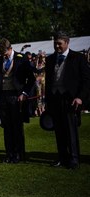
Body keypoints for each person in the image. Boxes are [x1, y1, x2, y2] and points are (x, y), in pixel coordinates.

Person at [45, 31, 90, 169]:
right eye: (55, 43)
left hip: (70, 99)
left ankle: (74, 159)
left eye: (59, 43)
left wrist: (80, 97)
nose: (57, 46)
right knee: (59, 130)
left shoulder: (78, 58)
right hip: (55, 98)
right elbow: (49, 81)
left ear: (67, 43)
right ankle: (62, 157)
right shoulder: (50, 59)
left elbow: (87, 80)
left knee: (71, 130)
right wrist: (48, 100)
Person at [0, 38, 35, 163]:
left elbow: (31, 79)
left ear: (10, 48)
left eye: (5, 53)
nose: (4, 56)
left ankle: (19, 154)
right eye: (1, 54)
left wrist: (24, 93)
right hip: (3, 97)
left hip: (16, 97)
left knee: (17, 127)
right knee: (7, 127)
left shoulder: (21, 59)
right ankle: (9, 154)